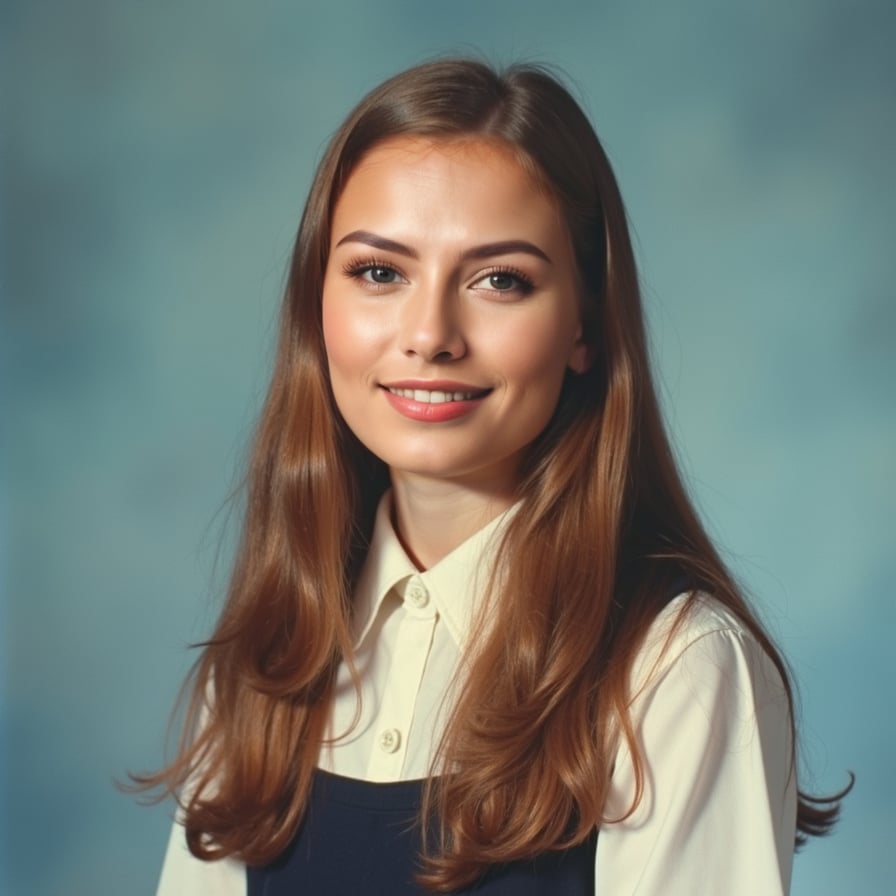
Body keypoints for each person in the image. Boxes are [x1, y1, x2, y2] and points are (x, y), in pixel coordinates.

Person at [137, 58, 848, 895]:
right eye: (379, 272)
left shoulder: (674, 670)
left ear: (584, 324)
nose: (430, 334)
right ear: (313, 306)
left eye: (499, 280)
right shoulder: (268, 663)